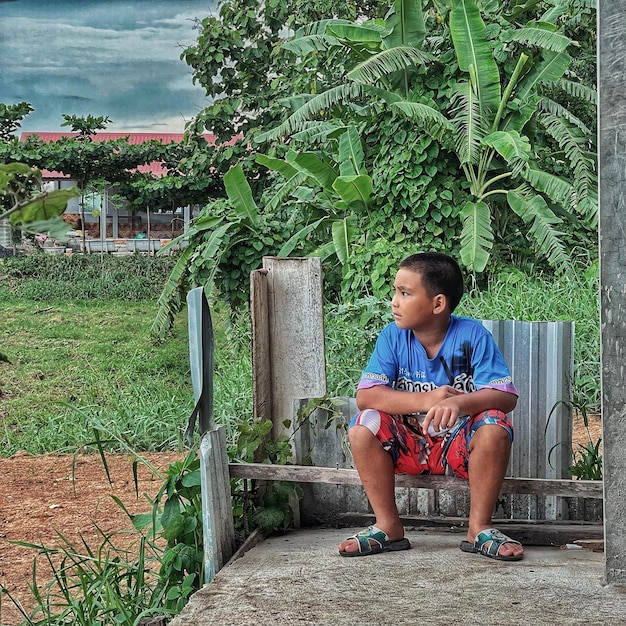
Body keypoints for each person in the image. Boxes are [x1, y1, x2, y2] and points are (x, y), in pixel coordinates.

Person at [338, 252, 523, 561]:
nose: (394, 301)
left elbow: (506, 396)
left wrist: (458, 402)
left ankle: (479, 528)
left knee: (495, 424)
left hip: (459, 449)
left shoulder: (472, 335)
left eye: (405, 293)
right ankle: (388, 526)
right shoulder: (393, 337)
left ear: (438, 304)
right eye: (395, 291)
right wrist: (426, 400)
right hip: (409, 444)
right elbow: (366, 395)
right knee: (363, 425)